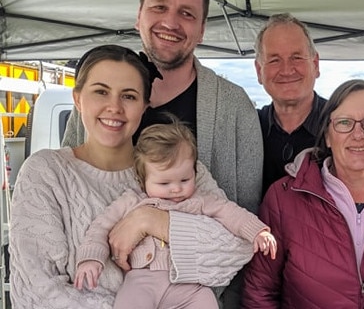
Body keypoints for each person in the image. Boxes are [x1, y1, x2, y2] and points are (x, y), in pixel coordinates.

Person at [61, 0, 263, 307]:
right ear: (139, 15)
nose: (171, 21)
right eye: (159, 7)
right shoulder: (99, 106)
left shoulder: (233, 107)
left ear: (201, 30)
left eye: (186, 13)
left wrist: (151, 219)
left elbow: (241, 238)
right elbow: (69, 205)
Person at [10, 45, 252, 309]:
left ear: (144, 107)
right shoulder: (46, 172)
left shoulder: (181, 170)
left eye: (129, 96)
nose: (114, 107)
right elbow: (37, 293)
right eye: (101, 91)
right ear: (78, 99)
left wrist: (151, 219)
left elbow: (236, 252)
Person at [242, 79, 364, 308]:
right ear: (328, 136)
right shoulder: (284, 199)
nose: (358, 134)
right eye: (344, 122)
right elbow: (260, 292)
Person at [74, 119, 277, 308]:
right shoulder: (132, 200)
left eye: (185, 180)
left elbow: (231, 213)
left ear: (195, 174)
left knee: (207, 300)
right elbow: (101, 227)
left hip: (190, 284)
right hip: (142, 281)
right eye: (164, 183)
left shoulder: (199, 200)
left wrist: (257, 231)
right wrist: (91, 258)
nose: (176, 189)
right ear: (141, 178)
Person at [254, 13, 327, 194]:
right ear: (259, 71)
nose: (286, 70)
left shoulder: (343, 125)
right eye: (274, 60)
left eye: (296, 57)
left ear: (315, 64)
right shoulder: (247, 127)